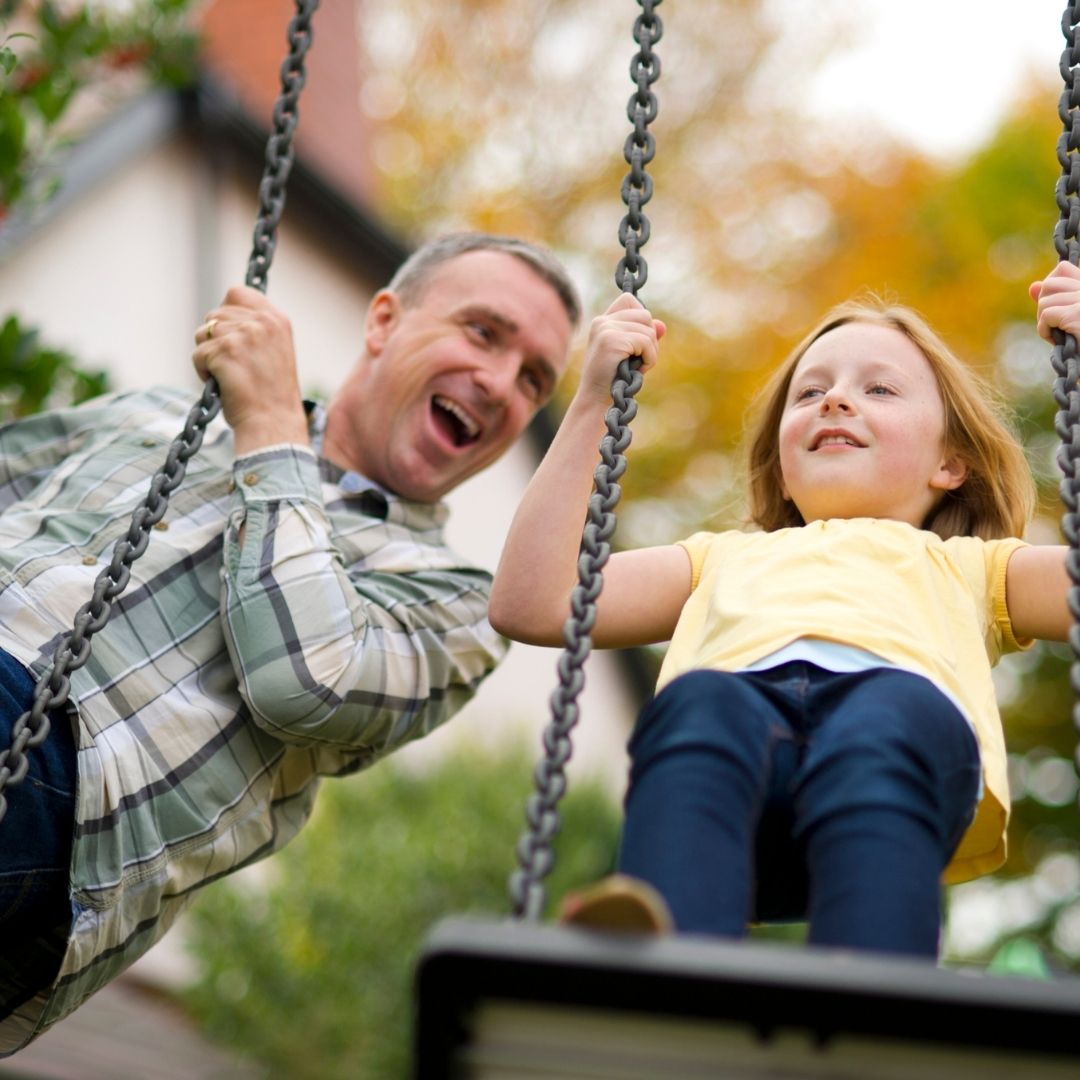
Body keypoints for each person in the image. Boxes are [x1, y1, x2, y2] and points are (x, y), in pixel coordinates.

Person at [0, 232, 580, 1053]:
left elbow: (304, 683)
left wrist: (270, 424)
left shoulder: (457, 605)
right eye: (483, 332)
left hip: (71, 797)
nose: (500, 384)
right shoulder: (160, 416)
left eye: (533, 379)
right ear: (385, 320)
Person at [489, 262, 1080, 960]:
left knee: (889, 713)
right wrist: (593, 401)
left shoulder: (974, 568)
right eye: (811, 392)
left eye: (879, 388)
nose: (835, 401)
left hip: (896, 770)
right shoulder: (722, 560)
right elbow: (535, 602)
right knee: (701, 701)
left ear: (951, 463)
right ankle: (666, 965)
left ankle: (875, 984)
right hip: (741, 789)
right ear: (780, 457)